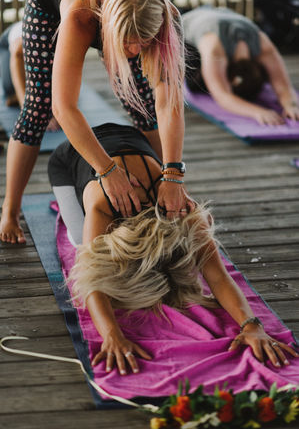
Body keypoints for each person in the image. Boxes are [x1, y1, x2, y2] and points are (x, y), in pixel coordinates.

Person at [48, 121, 298, 376]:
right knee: (80, 242)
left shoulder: (182, 212)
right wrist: (111, 334)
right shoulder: (104, 207)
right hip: (68, 156)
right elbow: (92, 282)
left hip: (133, 139)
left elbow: (218, 277)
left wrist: (251, 325)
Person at [0, 0, 192, 245]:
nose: (135, 50)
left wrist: (172, 176)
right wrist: (107, 170)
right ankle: (9, 211)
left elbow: (168, 102)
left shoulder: (166, 16)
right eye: (127, 42)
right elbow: (64, 107)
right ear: (107, 26)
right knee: (38, 107)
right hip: (51, 3)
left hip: (122, 17)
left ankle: (160, 188)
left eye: (144, 41)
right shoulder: (81, 16)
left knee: (145, 106)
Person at [183, 6, 299, 125]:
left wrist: (291, 106)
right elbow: (222, 95)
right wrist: (258, 112)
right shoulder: (215, 51)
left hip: (221, 13)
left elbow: (283, 86)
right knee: (196, 83)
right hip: (189, 20)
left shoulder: (264, 46)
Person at [0, 21, 59, 129]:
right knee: (11, 91)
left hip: (40, 48)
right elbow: (17, 55)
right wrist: (28, 113)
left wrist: (57, 113)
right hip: (8, 44)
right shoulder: (26, 37)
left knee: (46, 92)